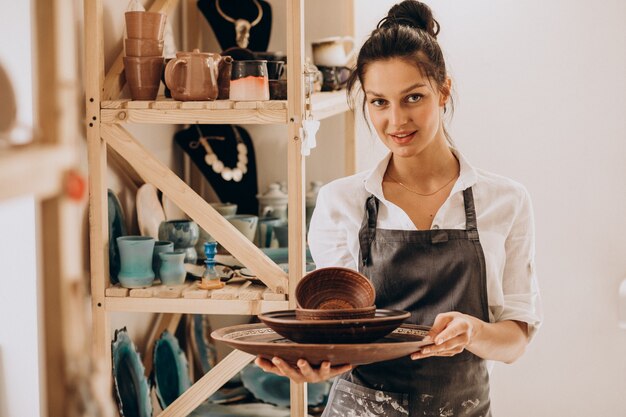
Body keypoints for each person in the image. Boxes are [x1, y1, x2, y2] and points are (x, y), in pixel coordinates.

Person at [256, 1, 542, 415]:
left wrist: (473, 331)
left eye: (413, 97)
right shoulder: (342, 203)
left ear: (443, 90)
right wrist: (318, 363)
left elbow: (515, 340)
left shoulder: (505, 201)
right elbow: (336, 331)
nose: (396, 120)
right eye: (378, 102)